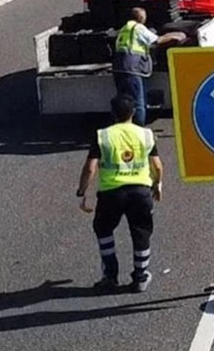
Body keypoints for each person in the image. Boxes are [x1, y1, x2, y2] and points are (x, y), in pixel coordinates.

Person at [77, 94, 164, 293]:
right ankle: (140, 277)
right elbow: (158, 167)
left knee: (103, 229)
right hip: (140, 192)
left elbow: (90, 168)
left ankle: (110, 275)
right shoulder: (145, 135)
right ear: (133, 112)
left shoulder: (103, 136)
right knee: (141, 233)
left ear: (112, 113)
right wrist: (157, 185)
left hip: (111, 193)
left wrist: (82, 191)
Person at [112, 7, 185, 127]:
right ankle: (139, 129)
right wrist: (174, 36)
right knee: (138, 103)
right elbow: (157, 40)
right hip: (132, 69)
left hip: (118, 68)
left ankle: (123, 127)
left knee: (123, 102)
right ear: (141, 18)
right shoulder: (138, 28)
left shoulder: (124, 29)